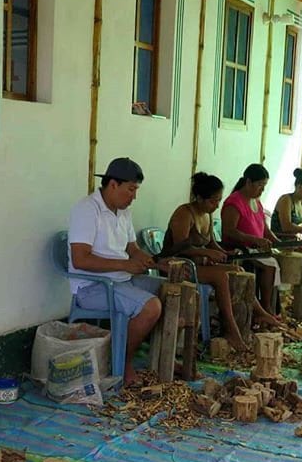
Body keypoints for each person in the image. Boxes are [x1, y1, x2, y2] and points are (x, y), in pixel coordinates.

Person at [68, 157, 163, 386]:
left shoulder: (124, 212)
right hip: (92, 287)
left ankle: (162, 358)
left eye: (136, 190)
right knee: (151, 307)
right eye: (131, 189)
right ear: (113, 185)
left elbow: (132, 249)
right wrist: (125, 265)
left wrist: (156, 263)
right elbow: (80, 260)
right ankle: (123, 363)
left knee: (170, 289)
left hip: (120, 280)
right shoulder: (87, 210)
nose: (134, 196)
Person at [161, 172, 281, 351]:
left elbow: (211, 242)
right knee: (221, 277)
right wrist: (207, 253)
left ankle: (260, 314)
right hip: (178, 266)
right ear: (199, 198)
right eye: (213, 201)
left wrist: (224, 253)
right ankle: (231, 329)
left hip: (198, 264)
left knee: (237, 271)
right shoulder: (184, 213)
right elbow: (179, 248)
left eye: (218, 200)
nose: (216, 206)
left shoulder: (206, 215)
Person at [221, 164, 281, 312]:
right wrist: (254, 240)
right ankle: (264, 308)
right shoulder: (234, 202)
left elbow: (264, 228)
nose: (262, 190)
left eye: (264, 186)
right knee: (269, 266)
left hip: (255, 249)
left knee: (276, 261)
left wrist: (278, 242)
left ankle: (273, 308)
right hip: (238, 249)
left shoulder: (256, 201)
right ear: (248, 182)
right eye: (260, 185)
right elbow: (229, 231)